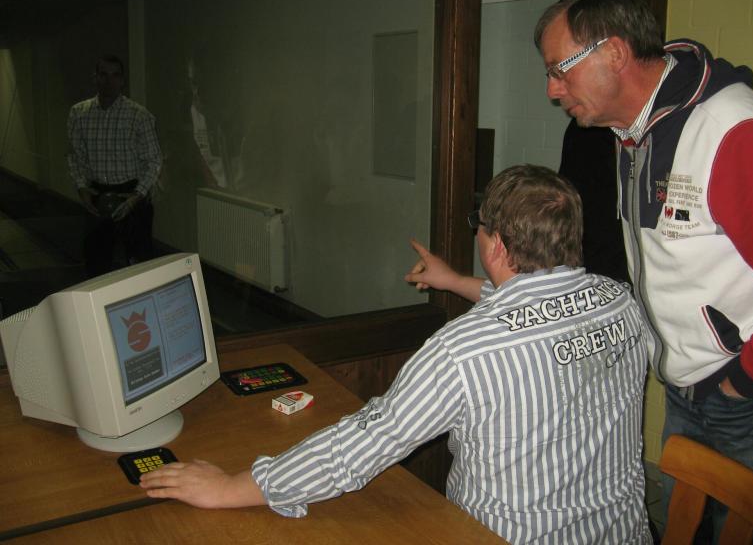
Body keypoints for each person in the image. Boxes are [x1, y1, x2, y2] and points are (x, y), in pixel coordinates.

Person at [141, 164, 654, 544]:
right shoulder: (621, 302)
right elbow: (541, 309)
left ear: (497, 245)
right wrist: (455, 281)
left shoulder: (462, 351)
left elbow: (358, 448)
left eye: (479, 226)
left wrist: (230, 487)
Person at [532, 0, 753, 537]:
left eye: (560, 69)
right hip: (686, 384)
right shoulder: (629, 132)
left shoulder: (734, 131)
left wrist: (746, 381)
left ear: (614, 52)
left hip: (750, 392)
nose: (552, 89)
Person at [67, 54, 162, 277]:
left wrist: (135, 198)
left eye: (115, 75)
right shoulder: (79, 114)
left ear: (122, 80)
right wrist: (82, 188)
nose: (109, 81)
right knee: (96, 265)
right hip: (97, 196)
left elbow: (154, 160)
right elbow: (74, 156)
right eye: (103, 75)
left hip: (132, 195)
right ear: (95, 78)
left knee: (139, 266)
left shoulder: (139, 115)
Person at [558, 118, 629, 284]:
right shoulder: (580, 127)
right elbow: (566, 194)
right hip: (587, 250)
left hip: (614, 253)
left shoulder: (630, 129)